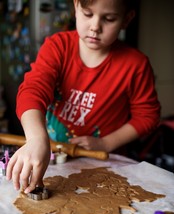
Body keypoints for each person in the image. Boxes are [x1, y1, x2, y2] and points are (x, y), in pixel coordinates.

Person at [6, 0, 161, 193]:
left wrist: (105, 143)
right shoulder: (57, 46)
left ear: (126, 19)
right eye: (88, 14)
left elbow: (148, 116)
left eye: (109, 18)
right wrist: (37, 138)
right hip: (51, 155)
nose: (95, 27)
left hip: (104, 163)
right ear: (76, 7)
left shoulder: (136, 65)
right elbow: (33, 90)